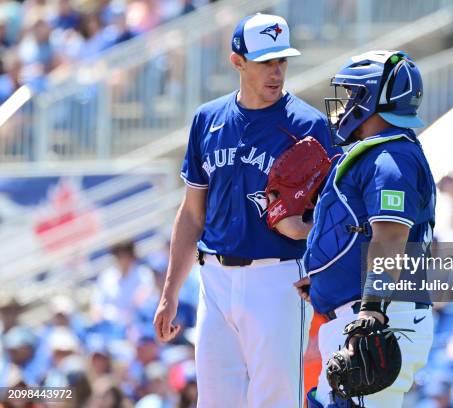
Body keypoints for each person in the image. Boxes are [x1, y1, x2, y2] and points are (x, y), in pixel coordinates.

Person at [153, 13, 339, 407]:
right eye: (265, 61)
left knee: (276, 398)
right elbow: (191, 214)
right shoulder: (208, 119)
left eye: (282, 60)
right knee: (215, 399)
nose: (276, 71)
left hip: (278, 277)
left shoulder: (309, 125)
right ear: (237, 61)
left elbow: (335, 214)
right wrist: (170, 292)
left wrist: (303, 229)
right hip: (214, 278)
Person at [276, 50, 436, 407]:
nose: (345, 103)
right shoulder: (377, 154)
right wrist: (326, 279)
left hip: (380, 321)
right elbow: (357, 231)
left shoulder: (392, 158)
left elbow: (392, 237)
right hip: (360, 317)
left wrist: (372, 310)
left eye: (353, 94)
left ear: (372, 100)